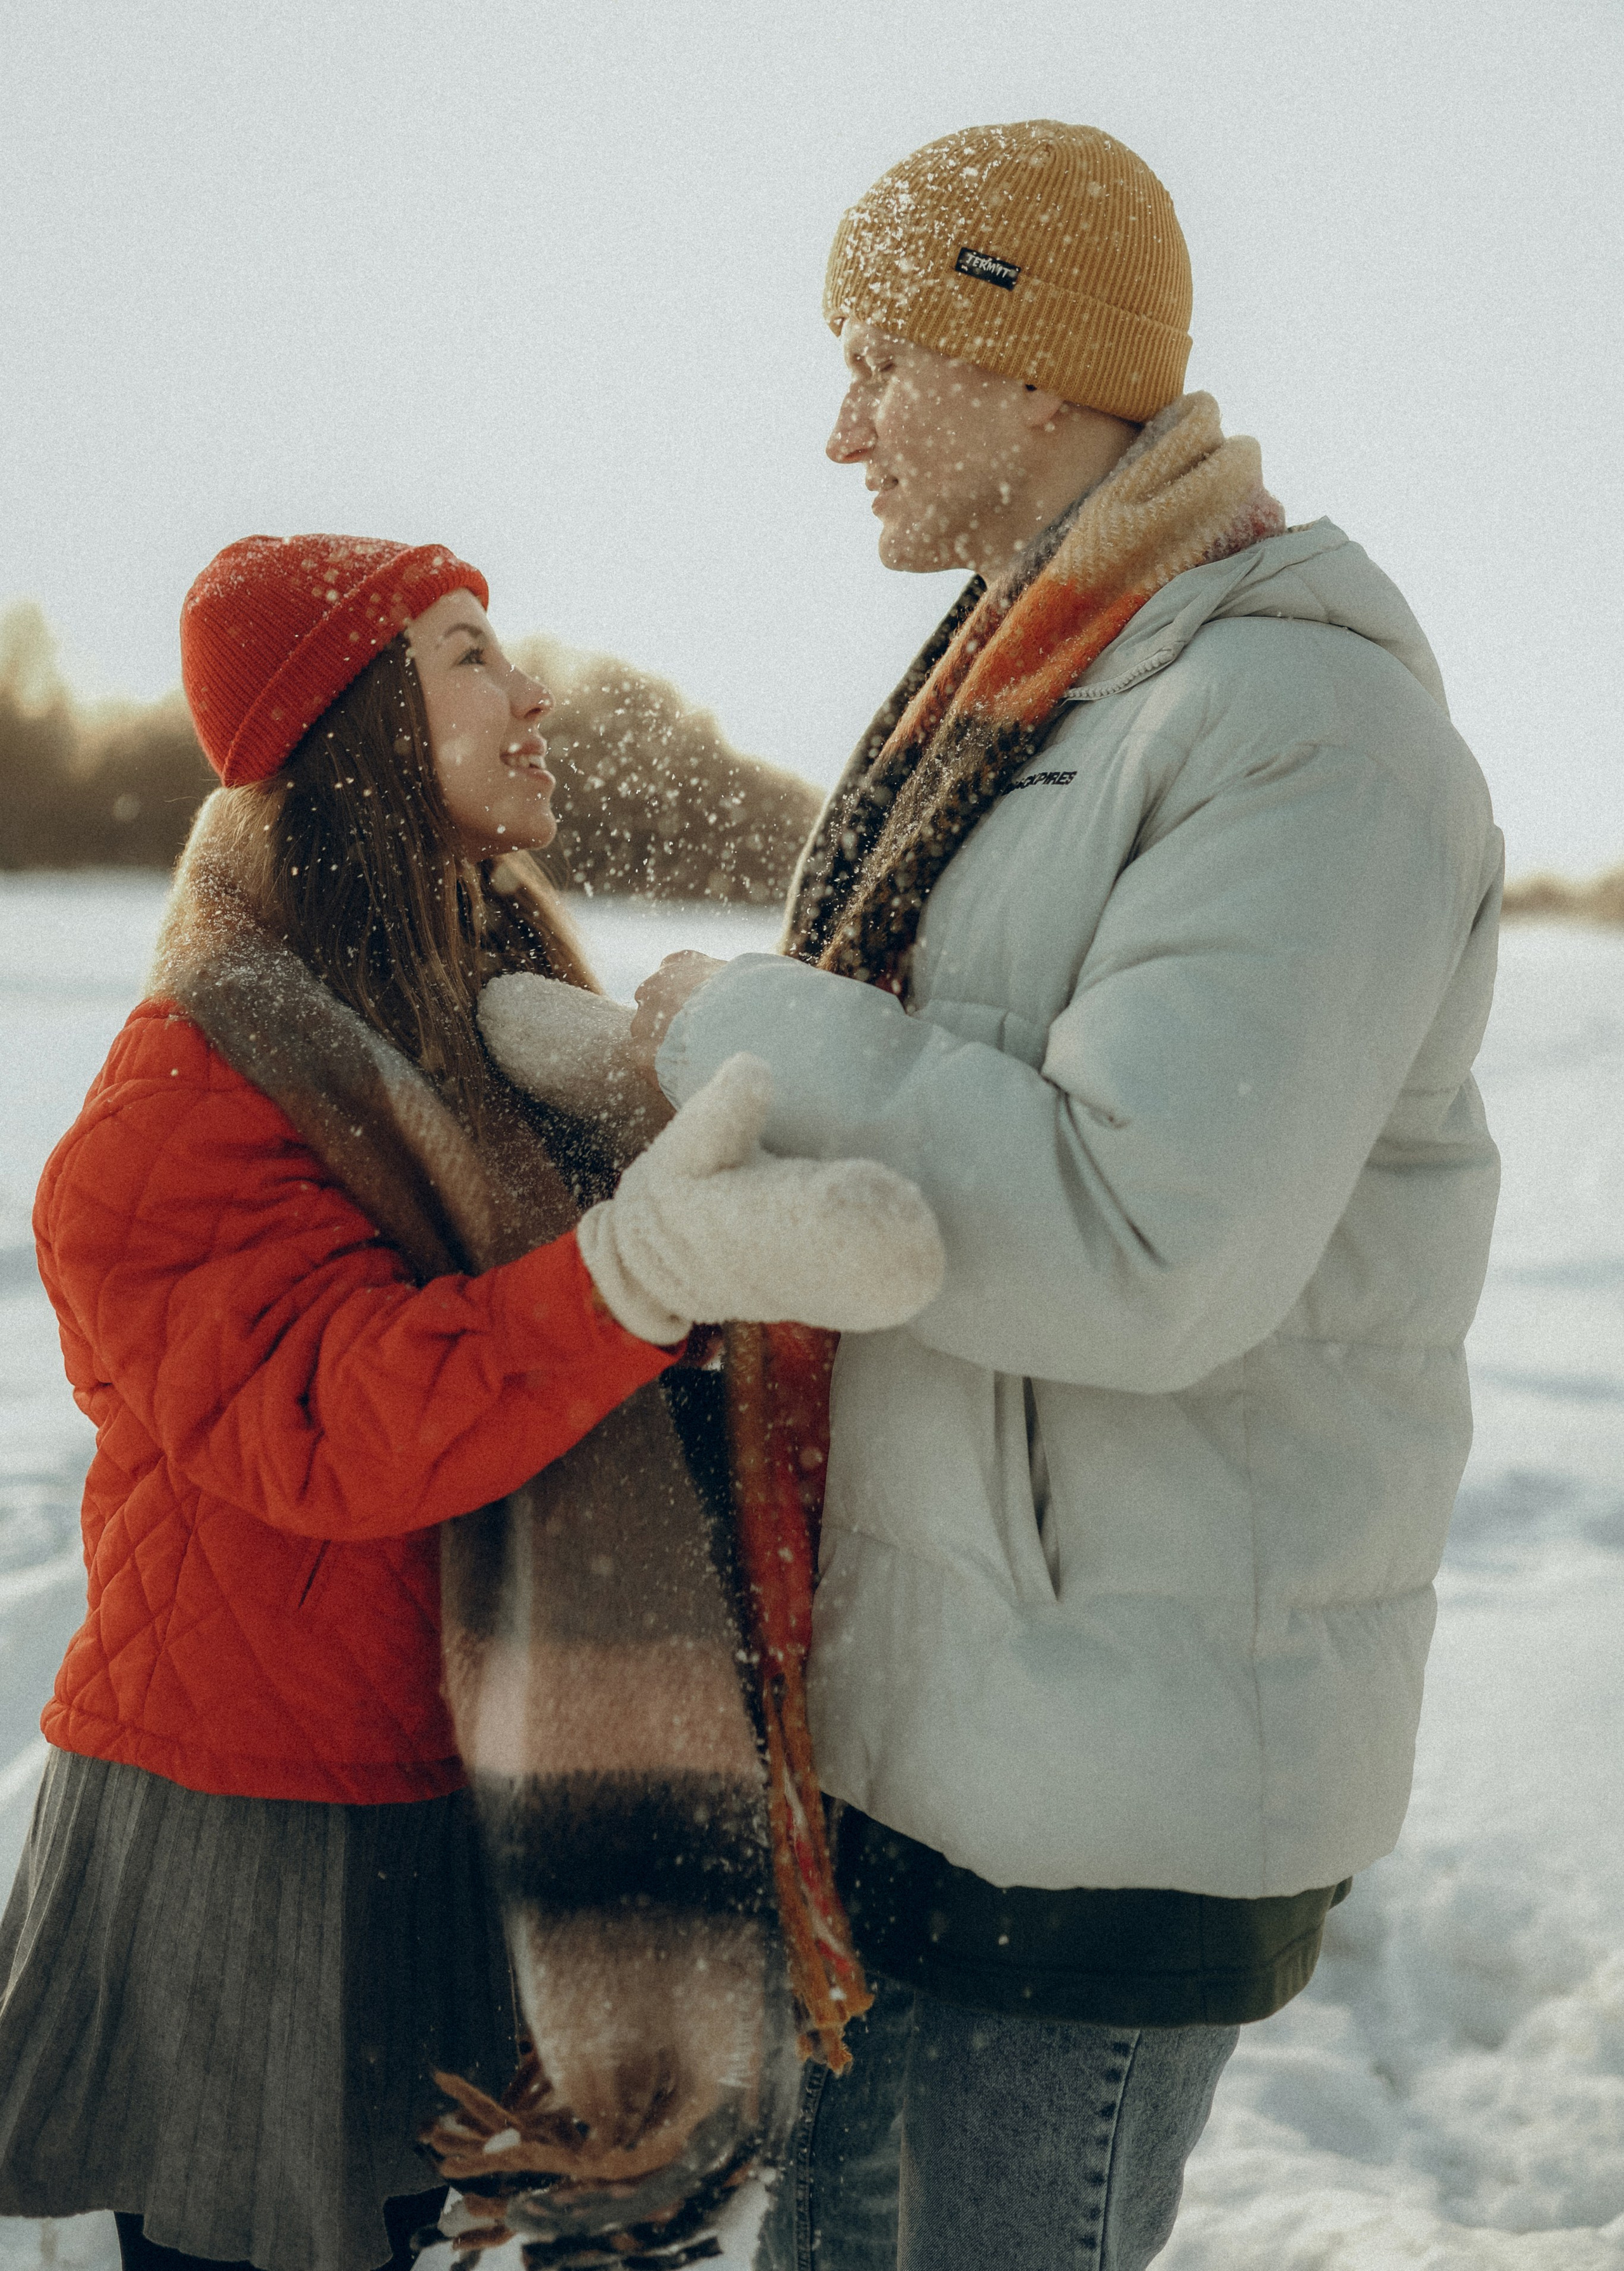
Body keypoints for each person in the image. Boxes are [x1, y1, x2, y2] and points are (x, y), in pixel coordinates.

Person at [626, 123, 1503, 2270]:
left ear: (1038, 375)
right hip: (911, 1726)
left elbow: (1140, 1250)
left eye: (880, 364)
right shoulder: (1020, 700)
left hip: (1121, 1770)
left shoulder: (1298, 725)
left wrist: (755, 1031)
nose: (839, 432)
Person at [0, 533, 943, 2271]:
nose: (528, 697)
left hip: (455, 1788)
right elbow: (331, 1420)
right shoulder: (185, 1091)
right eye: (462, 656)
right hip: (253, 1825)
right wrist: (630, 1278)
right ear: (357, 723)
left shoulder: (481, 1030)